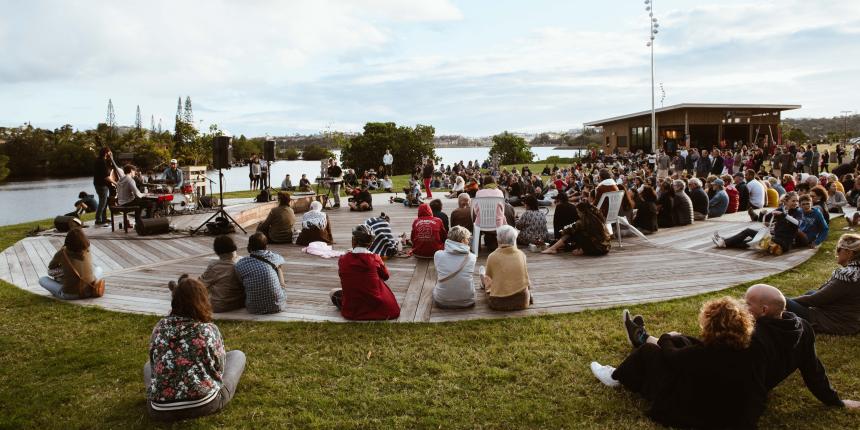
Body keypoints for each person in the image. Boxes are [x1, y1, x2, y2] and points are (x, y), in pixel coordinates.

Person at [589, 297, 763, 429]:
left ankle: (614, 376)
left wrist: (666, 336)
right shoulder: (746, 353)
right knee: (682, 341)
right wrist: (680, 339)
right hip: (730, 414)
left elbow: (672, 356)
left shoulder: (702, 355)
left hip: (695, 413)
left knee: (649, 352)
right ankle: (642, 338)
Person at [144, 277, 246, 421]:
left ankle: (163, 395)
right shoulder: (208, 329)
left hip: (160, 410)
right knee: (237, 356)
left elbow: (154, 364)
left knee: (148, 366)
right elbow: (219, 369)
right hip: (203, 404)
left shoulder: (160, 327)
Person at [786, 234, 860, 335]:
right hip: (850, 320)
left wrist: (785, 302)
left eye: (839, 249)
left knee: (778, 299)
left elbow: (815, 300)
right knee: (810, 293)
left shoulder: (848, 276)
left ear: (849, 253)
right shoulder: (856, 272)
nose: (836, 252)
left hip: (836, 322)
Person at [330, 225, 400, 320]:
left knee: (333, 292)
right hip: (383, 309)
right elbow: (386, 276)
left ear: (353, 241)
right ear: (370, 244)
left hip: (354, 312)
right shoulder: (375, 258)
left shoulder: (343, 259)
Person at [715, 192, 801, 256]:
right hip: (774, 238)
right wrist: (763, 214)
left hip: (784, 243)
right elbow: (763, 220)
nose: (796, 203)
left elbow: (797, 223)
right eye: (793, 201)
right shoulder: (781, 209)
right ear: (786, 201)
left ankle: (724, 242)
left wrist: (783, 215)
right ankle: (725, 242)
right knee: (748, 242)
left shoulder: (797, 212)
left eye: (797, 201)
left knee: (748, 232)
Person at [38, 227, 104, 299]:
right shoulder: (87, 250)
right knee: (99, 269)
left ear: (67, 241)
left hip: (71, 295)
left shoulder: (62, 253)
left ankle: (61, 288)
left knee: (42, 279)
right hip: (90, 290)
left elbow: (51, 267)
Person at [481, 225, 532, 311]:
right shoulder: (522, 255)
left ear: (498, 239)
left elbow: (489, 278)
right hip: (522, 302)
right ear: (514, 239)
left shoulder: (492, 256)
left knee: (485, 281)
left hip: (498, 303)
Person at [234, 233, 287, 314]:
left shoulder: (241, 263)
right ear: (266, 246)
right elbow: (281, 260)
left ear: (249, 247)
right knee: (278, 267)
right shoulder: (275, 257)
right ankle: (281, 287)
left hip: (253, 308)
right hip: (278, 306)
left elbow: (240, 282)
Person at [542, 201, 611, 256]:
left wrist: (561, 231)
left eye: (578, 212)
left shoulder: (583, 221)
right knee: (580, 232)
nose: (577, 214)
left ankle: (553, 248)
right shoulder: (597, 218)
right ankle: (581, 249)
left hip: (597, 249)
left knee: (572, 233)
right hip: (606, 248)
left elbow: (566, 231)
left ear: (582, 212)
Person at [197, 235, 244, 313]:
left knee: (200, 288)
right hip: (240, 302)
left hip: (220, 305)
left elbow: (200, 285)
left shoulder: (215, 266)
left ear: (216, 251)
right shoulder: (242, 261)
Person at [433, 226, 477, 309]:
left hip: (442, 300)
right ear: (463, 240)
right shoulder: (472, 257)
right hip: (467, 301)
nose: (469, 241)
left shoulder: (438, 255)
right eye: (468, 239)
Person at [93, 147, 115, 225]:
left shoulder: (99, 160)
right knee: (103, 203)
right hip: (101, 185)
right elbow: (106, 177)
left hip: (98, 184)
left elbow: (108, 171)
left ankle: (104, 218)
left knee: (104, 202)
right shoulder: (101, 162)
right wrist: (115, 183)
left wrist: (111, 159)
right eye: (109, 153)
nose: (110, 154)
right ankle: (98, 220)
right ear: (106, 153)